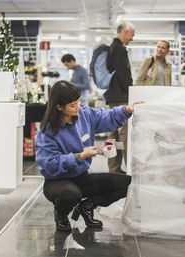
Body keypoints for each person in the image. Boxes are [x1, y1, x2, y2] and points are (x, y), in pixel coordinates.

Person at [35, 80, 143, 232]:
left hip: (81, 177)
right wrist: (79, 156)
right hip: (57, 182)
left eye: (78, 102)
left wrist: (127, 110)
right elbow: (49, 165)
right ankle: (61, 215)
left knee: (128, 183)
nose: (78, 107)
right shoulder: (48, 133)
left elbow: (107, 117)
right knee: (71, 194)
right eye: (73, 105)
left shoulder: (85, 115)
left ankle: (87, 206)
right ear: (59, 107)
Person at [105, 21, 135, 174]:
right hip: (121, 96)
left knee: (114, 135)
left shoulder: (113, 47)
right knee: (124, 135)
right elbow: (124, 74)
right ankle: (129, 167)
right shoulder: (119, 49)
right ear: (125, 32)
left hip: (113, 96)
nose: (132, 38)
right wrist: (131, 91)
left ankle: (113, 168)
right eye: (132, 35)